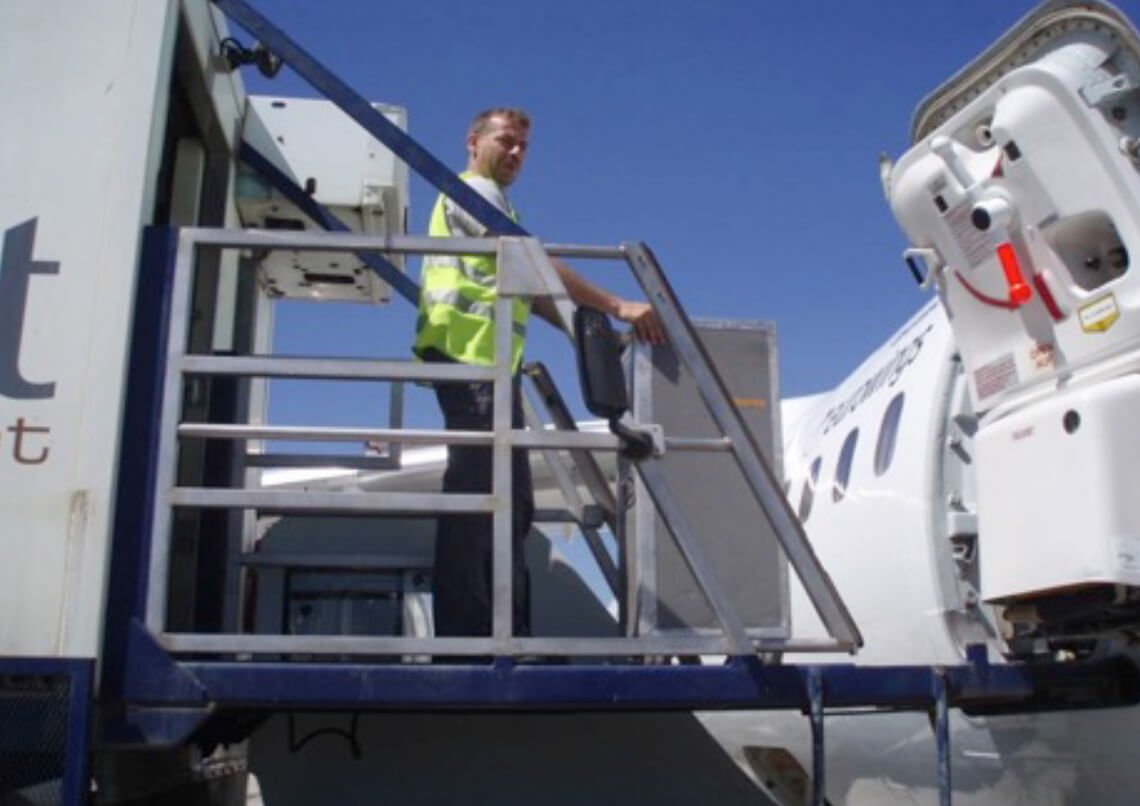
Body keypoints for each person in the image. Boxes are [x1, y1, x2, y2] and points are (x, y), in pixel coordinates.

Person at [414, 107, 663, 639]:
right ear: (473, 141)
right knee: (483, 497)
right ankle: (475, 636)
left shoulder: (490, 201)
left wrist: (585, 330)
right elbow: (538, 264)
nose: (517, 154)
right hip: (470, 365)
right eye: (507, 141)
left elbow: (532, 288)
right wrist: (617, 306)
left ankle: (500, 632)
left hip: (486, 369)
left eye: (524, 147)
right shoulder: (474, 193)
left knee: (510, 499)